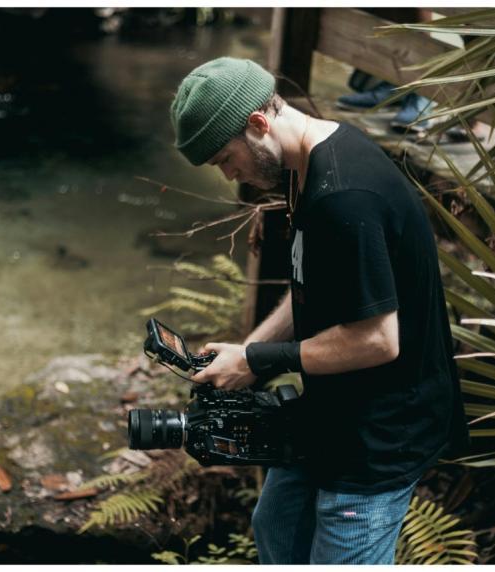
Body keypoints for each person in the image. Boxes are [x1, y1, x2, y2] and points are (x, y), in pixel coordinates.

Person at [169, 57, 469, 565]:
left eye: (225, 158)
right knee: (277, 525)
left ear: (258, 124)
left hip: (381, 434)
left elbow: (377, 340)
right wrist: (249, 350)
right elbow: (309, 287)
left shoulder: (344, 196)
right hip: (331, 412)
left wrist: (260, 362)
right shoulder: (304, 167)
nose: (229, 176)